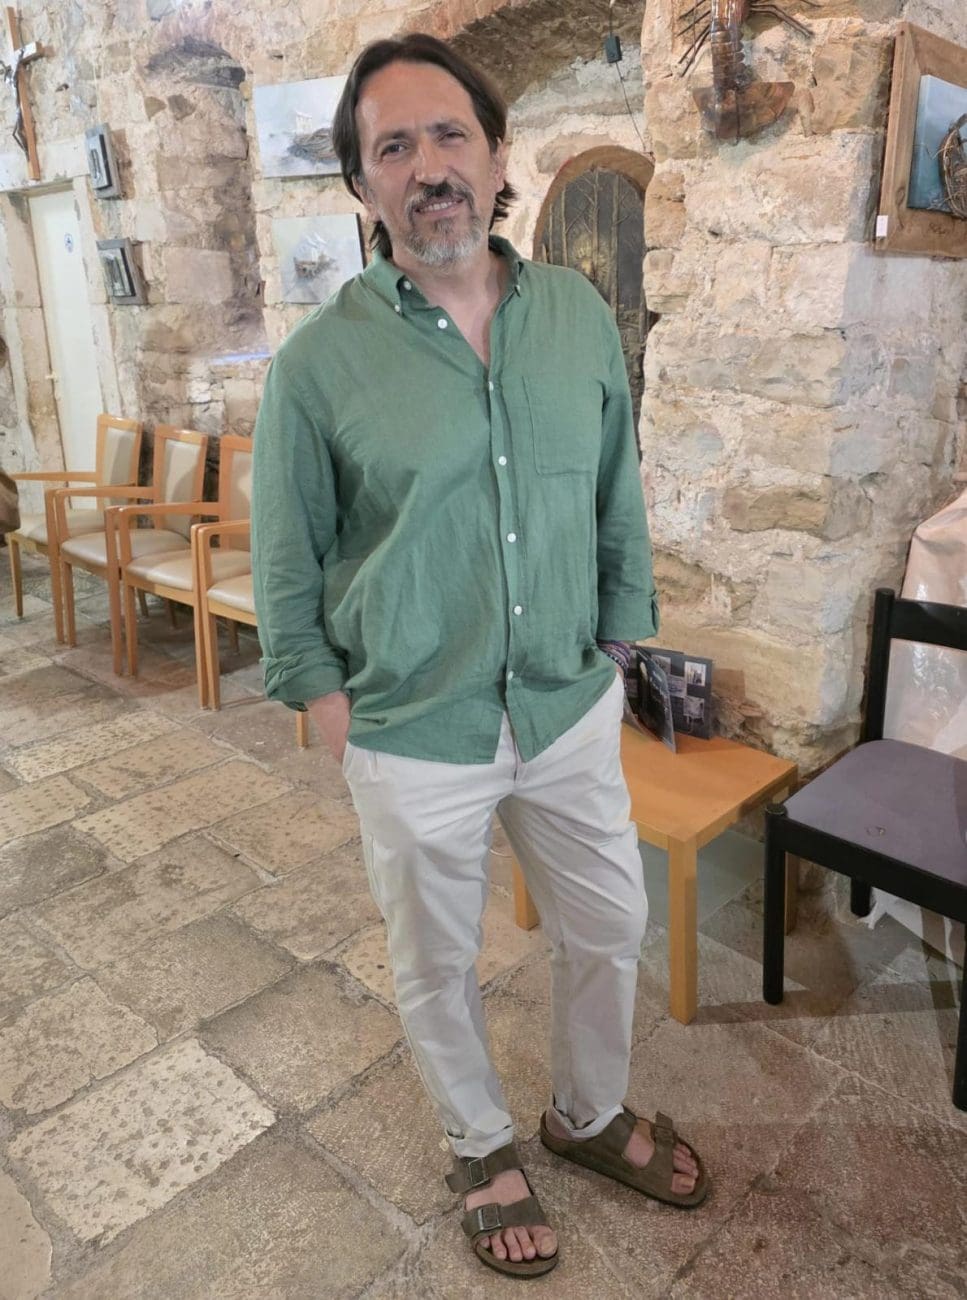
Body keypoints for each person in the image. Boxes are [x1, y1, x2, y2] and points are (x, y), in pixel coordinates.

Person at [252, 33, 708, 1280]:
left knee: (609, 923)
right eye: (392, 146)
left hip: (564, 701)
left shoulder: (575, 318)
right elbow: (285, 556)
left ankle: (587, 1113)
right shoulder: (317, 366)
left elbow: (614, 487)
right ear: (362, 182)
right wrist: (326, 702)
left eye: (449, 134)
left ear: (500, 156)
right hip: (411, 726)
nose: (428, 167)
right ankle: (480, 1143)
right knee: (436, 958)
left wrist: (616, 635)